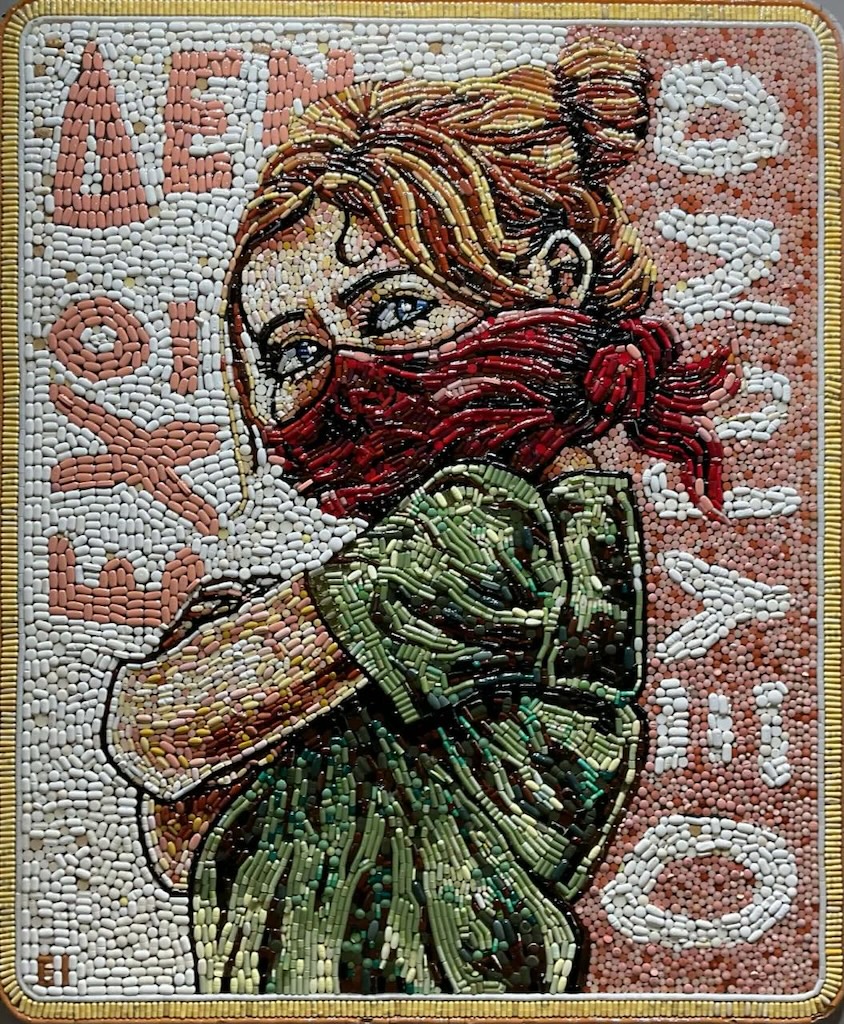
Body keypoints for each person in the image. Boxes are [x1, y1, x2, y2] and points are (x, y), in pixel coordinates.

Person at [103, 37, 738, 997]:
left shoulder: (484, 523)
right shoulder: (552, 530)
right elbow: (190, 843)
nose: (343, 378)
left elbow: (159, 732)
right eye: (294, 352)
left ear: (555, 279)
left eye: (395, 311)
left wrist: (222, 661)